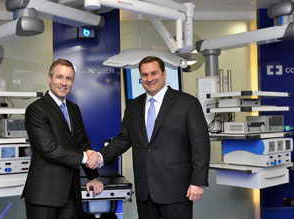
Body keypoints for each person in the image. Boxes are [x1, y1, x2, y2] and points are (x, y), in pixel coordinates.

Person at [87, 56, 210, 219]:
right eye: (145, 75)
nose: (150, 79)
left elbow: (200, 145)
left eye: (154, 73)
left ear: (164, 74)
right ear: (140, 77)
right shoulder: (133, 107)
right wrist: (100, 156)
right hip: (145, 192)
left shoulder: (187, 103)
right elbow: (123, 140)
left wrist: (197, 182)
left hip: (176, 190)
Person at [22, 58, 103, 219]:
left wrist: (93, 177)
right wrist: (86, 157)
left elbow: (83, 143)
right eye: (59, 77)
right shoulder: (36, 110)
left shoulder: (74, 109)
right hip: (43, 195)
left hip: (71, 194)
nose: (64, 82)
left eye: (69, 78)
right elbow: (49, 149)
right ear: (49, 79)